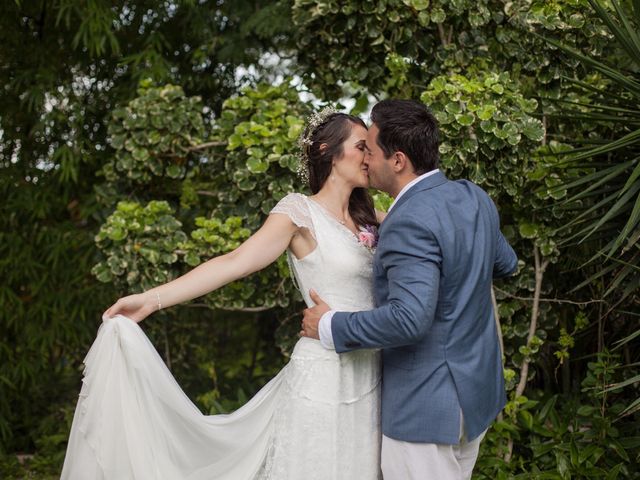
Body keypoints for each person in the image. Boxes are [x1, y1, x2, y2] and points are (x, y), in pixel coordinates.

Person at [61, 108, 384, 480]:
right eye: (361, 146)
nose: (369, 156)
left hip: (372, 372)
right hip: (325, 375)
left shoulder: (375, 217)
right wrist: (152, 298)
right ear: (328, 150)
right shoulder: (299, 213)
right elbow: (234, 262)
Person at [302, 99, 518, 480]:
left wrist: (329, 325)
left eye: (370, 148)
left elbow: (409, 320)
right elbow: (506, 263)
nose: (365, 158)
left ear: (398, 160)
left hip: (426, 410)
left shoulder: (407, 222)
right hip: (475, 396)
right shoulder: (472, 196)